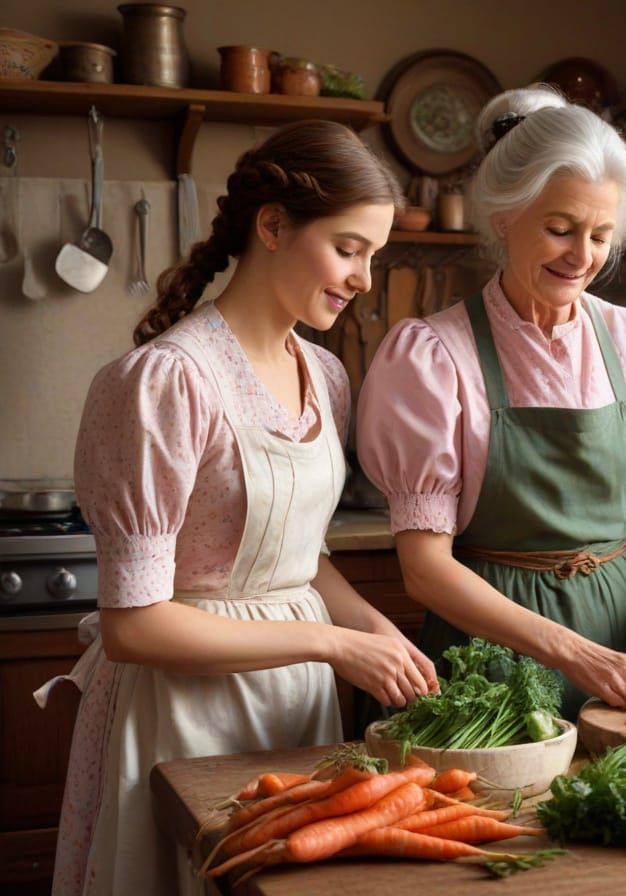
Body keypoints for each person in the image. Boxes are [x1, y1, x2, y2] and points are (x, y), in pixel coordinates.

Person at [35, 120, 438, 896]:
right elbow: (133, 626)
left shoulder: (325, 374)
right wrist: (333, 646)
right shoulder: (163, 382)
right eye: (349, 248)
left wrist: (373, 631)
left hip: (297, 709)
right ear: (274, 226)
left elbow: (297, 557)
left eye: (373, 258)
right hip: (184, 715)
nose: (362, 278)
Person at [356, 85, 626, 721]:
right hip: (495, 666)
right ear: (505, 216)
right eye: (560, 229)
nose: (582, 256)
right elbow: (423, 569)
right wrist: (573, 654)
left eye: (600, 235)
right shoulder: (435, 357)